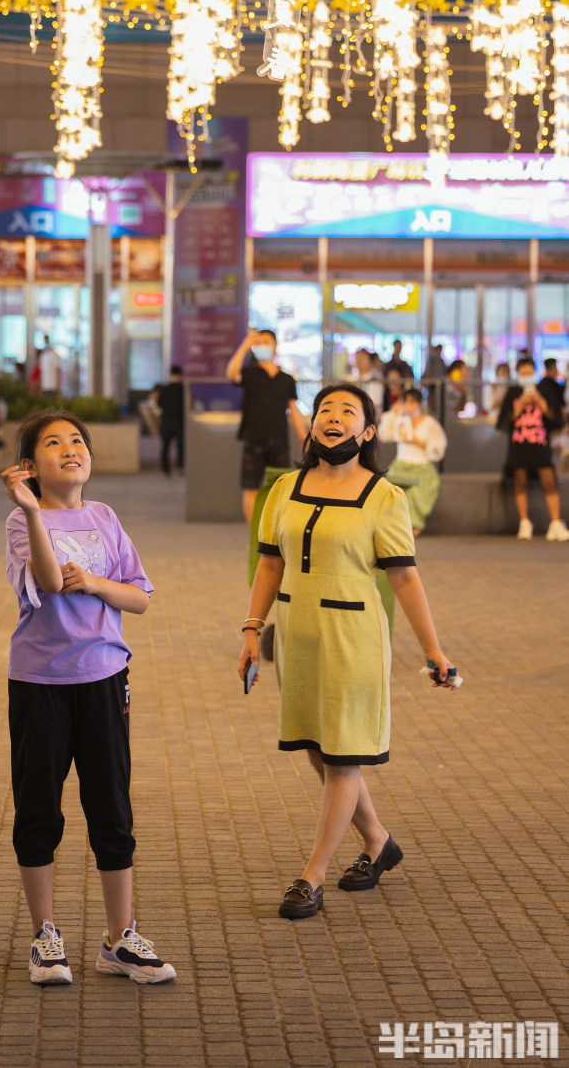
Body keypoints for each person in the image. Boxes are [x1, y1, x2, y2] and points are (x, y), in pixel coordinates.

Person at [238, 383, 456, 921]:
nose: (333, 417)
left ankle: (311, 876)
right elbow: (270, 564)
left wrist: (433, 650)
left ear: (368, 431)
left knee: (342, 757)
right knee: (319, 749)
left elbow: (404, 579)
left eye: (347, 411)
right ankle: (379, 843)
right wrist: (251, 629)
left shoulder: (385, 496)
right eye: (325, 409)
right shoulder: (285, 488)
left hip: (353, 639)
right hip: (298, 635)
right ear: (313, 424)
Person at [2, 410, 176, 986]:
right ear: (30, 466)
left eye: (77, 440)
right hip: (40, 683)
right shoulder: (20, 520)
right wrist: (32, 510)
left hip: (104, 676)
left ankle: (119, 939)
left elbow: (139, 597)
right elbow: (50, 583)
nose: (70, 449)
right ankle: (45, 937)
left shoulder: (104, 516)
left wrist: (97, 583)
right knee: (38, 808)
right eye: (54, 443)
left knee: (111, 807)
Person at [226, 328, 309, 524]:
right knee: (251, 487)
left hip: (279, 440)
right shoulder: (249, 373)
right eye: (258, 343)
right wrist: (244, 346)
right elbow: (231, 374)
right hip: (253, 438)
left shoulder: (286, 379)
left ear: (275, 345)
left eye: (266, 341)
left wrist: (304, 437)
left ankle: (274, 531)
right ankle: (253, 533)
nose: (262, 345)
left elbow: (293, 409)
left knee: (280, 489)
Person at [496, 357, 569, 541]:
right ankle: (524, 522)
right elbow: (503, 421)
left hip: (540, 444)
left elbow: (556, 418)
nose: (527, 376)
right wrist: (521, 404)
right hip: (519, 445)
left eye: (529, 373)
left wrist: (541, 402)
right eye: (523, 374)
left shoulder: (543, 390)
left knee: (549, 480)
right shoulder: (513, 392)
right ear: (518, 374)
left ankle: (555, 522)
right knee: (520, 481)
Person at [379, 387, 447, 536]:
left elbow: (438, 447)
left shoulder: (429, 422)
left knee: (416, 492)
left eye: (412, 402)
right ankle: (395, 526)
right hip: (400, 466)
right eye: (406, 402)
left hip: (421, 467)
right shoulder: (399, 420)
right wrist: (394, 414)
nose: (409, 406)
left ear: (419, 404)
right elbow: (383, 435)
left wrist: (418, 441)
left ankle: (413, 527)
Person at [157, 365, 185, 476]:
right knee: (180, 446)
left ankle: (165, 469)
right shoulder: (183, 389)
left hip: (166, 422)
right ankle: (179, 467)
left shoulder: (165, 389)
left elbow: (159, 404)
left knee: (165, 446)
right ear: (180, 375)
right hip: (179, 422)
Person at [352, 349, 384, 414]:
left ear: (370, 362)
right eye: (357, 357)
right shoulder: (354, 381)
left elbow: (376, 405)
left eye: (363, 358)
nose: (359, 360)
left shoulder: (374, 382)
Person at [538, 358, 566, 424]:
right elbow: (561, 406)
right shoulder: (555, 385)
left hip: (543, 422)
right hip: (555, 422)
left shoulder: (541, 384)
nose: (557, 370)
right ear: (553, 368)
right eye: (556, 368)